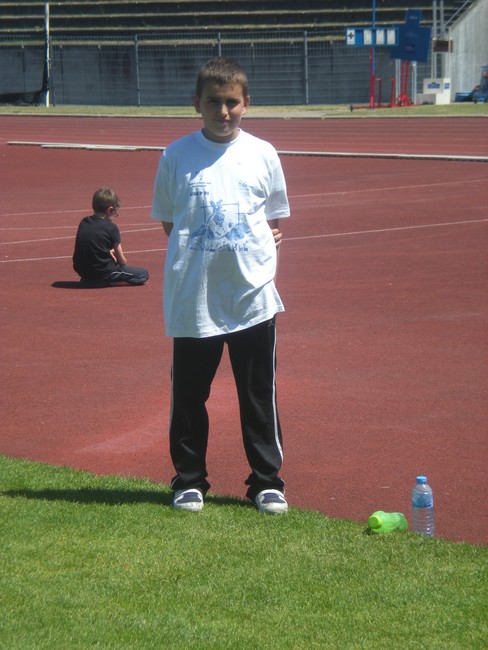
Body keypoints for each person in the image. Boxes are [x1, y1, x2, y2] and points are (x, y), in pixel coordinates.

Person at [151, 57, 290, 514]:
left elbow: (271, 218)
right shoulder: (176, 155)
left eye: (232, 102)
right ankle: (189, 480)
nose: (223, 111)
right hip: (194, 297)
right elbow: (171, 222)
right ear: (197, 103)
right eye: (214, 102)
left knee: (258, 394)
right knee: (189, 395)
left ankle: (267, 482)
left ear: (246, 103)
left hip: (251, 295)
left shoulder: (263, 153)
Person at [73, 187, 149, 286]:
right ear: (110, 210)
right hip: (102, 271)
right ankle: (107, 281)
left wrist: (108, 252)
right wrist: (116, 257)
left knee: (99, 266)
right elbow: (122, 261)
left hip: (82, 270)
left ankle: (91, 279)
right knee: (143, 274)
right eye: (116, 213)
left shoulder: (84, 222)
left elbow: (91, 245)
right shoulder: (111, 228)